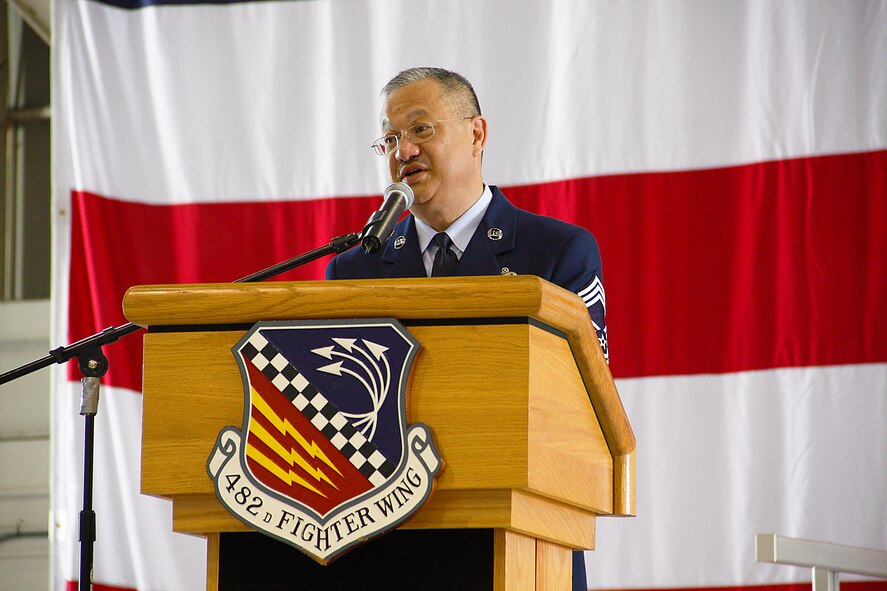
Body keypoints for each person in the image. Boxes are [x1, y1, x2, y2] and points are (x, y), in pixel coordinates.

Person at [326, 66, 607, 591]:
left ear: (477, 134)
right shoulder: (355, 268)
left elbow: (582, 409)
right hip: (382, 545)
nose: (402, 150)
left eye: (420, 129)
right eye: (389, 138)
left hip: (518, 536)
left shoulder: (555, 252)